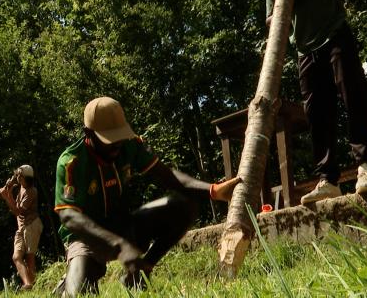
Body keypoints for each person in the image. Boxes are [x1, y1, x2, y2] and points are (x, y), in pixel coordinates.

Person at [53, 96, 240, 296]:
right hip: (86, 237)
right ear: (88, 133)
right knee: (80, 294)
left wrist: (212, 190)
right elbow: (69, 217)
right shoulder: (71, 162)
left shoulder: (129, 145)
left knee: (185, 205)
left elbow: (166, 175)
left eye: (119, 136)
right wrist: (119, 246)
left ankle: (139, 274)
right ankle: (68, 284)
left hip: (122, 225)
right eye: (110, 140)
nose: (117, 145)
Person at [256, 0, 367, 205]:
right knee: (317, 115)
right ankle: (328, 180)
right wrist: (283, 3)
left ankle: (366, 169)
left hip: (336, 36)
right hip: (305, 53)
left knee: (352, 96)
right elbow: (272, 23)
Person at [0, 164, 43, 291]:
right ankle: (28, 283)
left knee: (29, 257)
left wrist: (7, 196)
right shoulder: (21, 188)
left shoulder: (32, 191)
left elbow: (18, 211)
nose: (17, 178)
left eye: (19, 176)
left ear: (26, 178)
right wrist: (9, 191)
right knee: (16, 257)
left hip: (32, 225)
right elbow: (15, 208)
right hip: (21, 227)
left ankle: (29, 286)